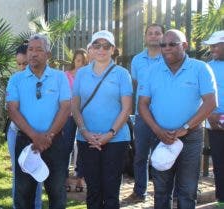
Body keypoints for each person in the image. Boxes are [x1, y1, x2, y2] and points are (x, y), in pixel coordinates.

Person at [138, 29, 217, 209]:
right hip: (160, 137)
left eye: (172, 44)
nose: (166, 48)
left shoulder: (200, 68)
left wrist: (186, 128)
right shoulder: (151, 71)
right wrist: (158, 130)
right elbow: (142, 104)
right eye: (163, 45)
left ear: (185, 45)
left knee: (187, 191)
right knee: (161, 190)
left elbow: (210, 103)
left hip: (190, 137)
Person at [6, 34, 71, 209]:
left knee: (57, 194)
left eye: (39, 49)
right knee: (23, 194)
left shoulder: (59, 77)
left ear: (48, 54)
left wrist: (48, 136)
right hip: (26, 143)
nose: (33, 54)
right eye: (30, 49)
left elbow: (66, 108)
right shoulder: (16, 79)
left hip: (54, 142)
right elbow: (12, 109)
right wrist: (35, 136)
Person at [72, 30, 133, 209]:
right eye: (97, 45)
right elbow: (74, 106)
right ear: (90, 48)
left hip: (116, 139)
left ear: (113, 49)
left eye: (106, 46)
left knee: (111, 191)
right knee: (93, 190)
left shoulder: (122, 74)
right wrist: (84, 131)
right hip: (86, 139)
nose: (101, 49)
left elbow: (127, 108)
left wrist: (110, 134)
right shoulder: (81, 74)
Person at [127, 23, 164, 202]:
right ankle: (140, 191)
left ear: (163, 36)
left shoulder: (168, 58)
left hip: (163, 116)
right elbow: (135, 83)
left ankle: (161, 192)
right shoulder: (136, 60)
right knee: (140, 155)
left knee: (161, 156)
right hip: (142, 116)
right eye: (150, 33)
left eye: (157, 33)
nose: (154, 36)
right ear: (145, 37)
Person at [6, 44, 43, 209]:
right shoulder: (14, 80)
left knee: (37, 173)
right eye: (18, 64)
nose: (21, 68)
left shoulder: (44, 80)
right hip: (16, 134)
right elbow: (12, 110)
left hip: (39, 136)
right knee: (18, 176)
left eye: (24, 64)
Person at [202, 30, 224, 208]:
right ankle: (222, 200)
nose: (212, 48)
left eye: (216, 45)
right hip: (215, 123)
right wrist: (209, 114)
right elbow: (200, 95)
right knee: (219, 162)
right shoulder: (207, 67)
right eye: (211, 45)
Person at [63, 48, 88, 193]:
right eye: (78, 61)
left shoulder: (87, 76)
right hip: (69, 116)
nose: (80, 64)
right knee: (67, 147)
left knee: (83, 146)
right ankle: (65, 178)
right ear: (74, 61)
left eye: (83, 62)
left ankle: (80, 177)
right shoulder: (66, 75)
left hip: (84, 115)